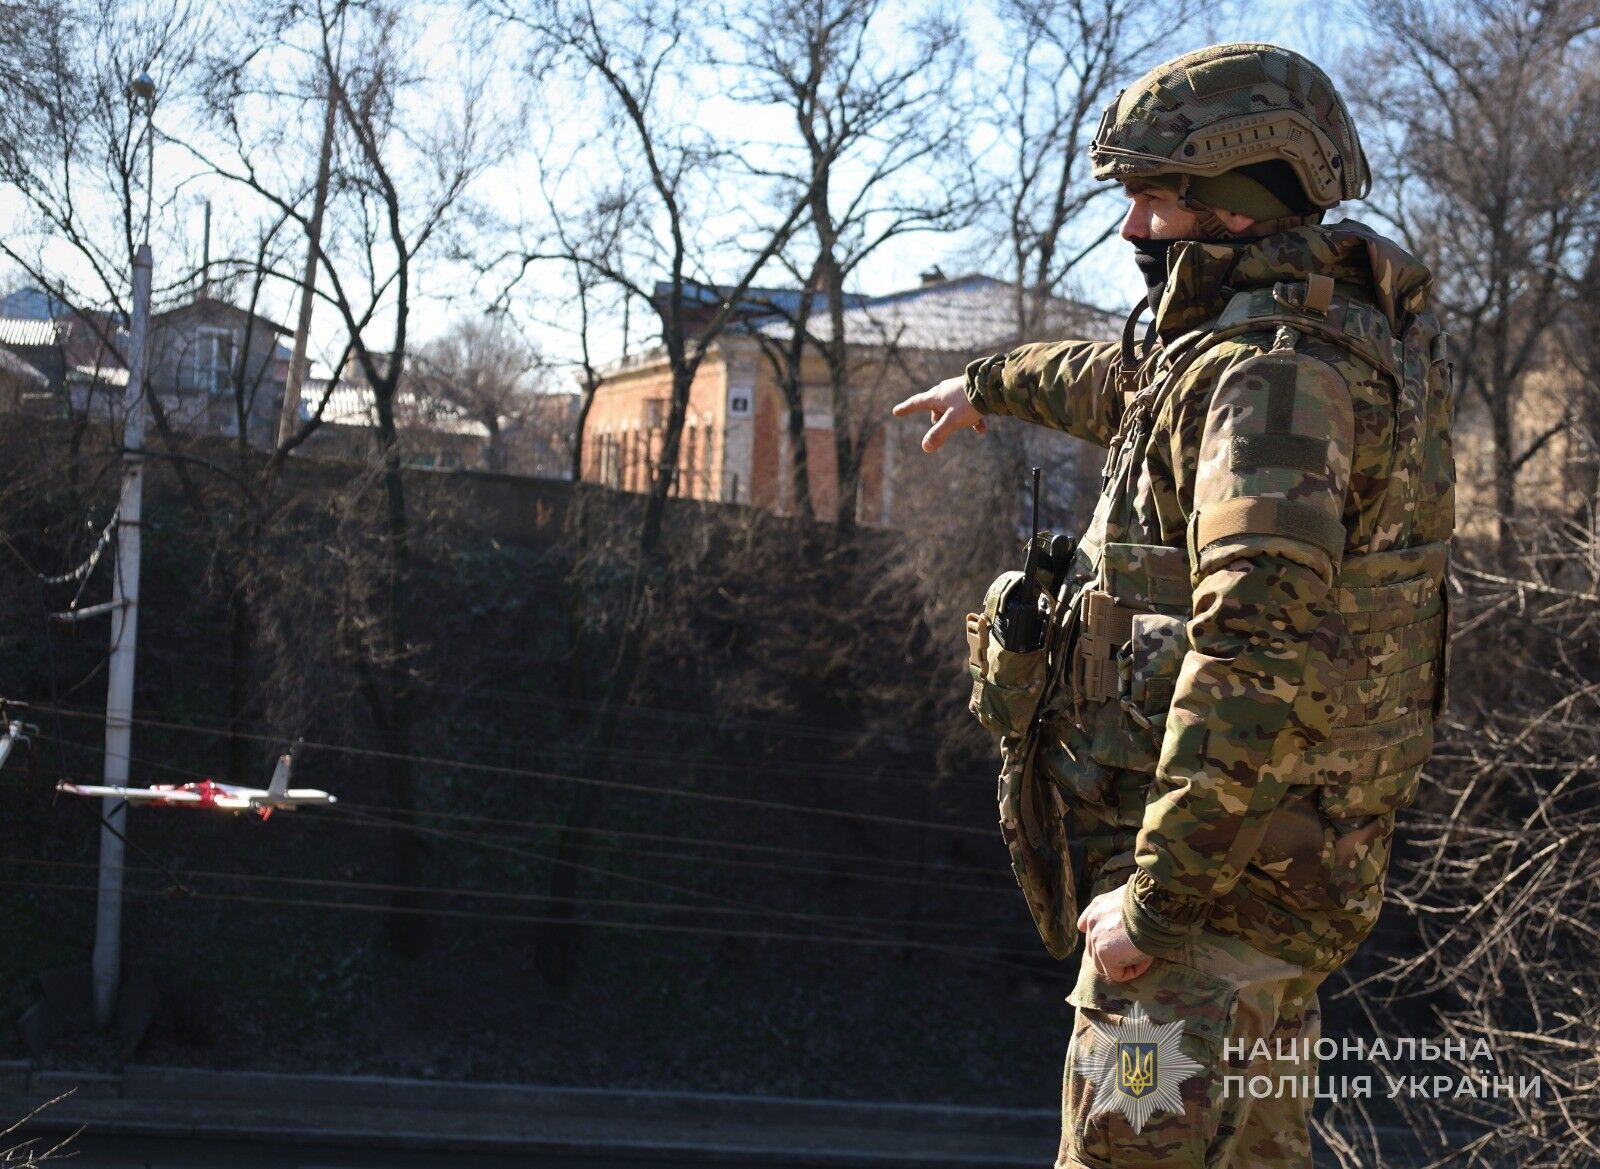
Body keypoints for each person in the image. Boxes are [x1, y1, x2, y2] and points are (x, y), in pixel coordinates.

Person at [893, 42, 1454, 1169]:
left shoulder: (1278, 383)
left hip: (1198, 919)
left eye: (1156, 200)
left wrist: (1152, 906)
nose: (1132, 228)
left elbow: (1251, 651)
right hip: (1251, 894)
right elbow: (1130, 386)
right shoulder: (1263, 342)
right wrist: (989, 383)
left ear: (1239, 209)